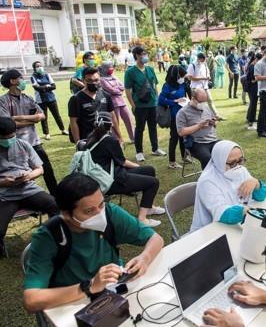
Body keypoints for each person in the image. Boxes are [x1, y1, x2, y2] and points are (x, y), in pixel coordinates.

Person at [22, 173, 164, 312]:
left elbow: (155, 239)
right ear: (66, 214)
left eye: (101, 204)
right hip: (74, 305)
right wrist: (89, 286)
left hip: (116, 292)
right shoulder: (48, 237)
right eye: (89, 211)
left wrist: (144, 258)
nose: (99, 214)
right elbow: (32, 300)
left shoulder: (110, 213)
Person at [80, 112, 164, 227]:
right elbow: (123, 161)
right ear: (111, 125)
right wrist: (138, 166)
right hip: (111, 181)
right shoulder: (109, 140)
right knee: (153, 183)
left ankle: (149, 207)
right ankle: (142, 219)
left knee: (149, 170)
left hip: (100, 178)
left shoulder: (90, 138)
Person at [0, 117, 58, 256]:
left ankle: (56, 238)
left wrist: (29, 176)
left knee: (55, 206)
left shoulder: (23, 145)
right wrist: (3, 182)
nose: (9, 140)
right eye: (5, 137)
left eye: (12, 136)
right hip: (5, 195)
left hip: (28, 190)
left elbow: (40, 169)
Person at [0, 69, 58, 195]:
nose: (23, 81)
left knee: (47, 169)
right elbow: (6, 125)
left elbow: (42, 116)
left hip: (34, 141)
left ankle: (56, 195)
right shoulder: (3, 101)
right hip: (15, 143)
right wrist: (33, 120)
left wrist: (16, 118)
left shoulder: (28, 98)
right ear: (13, 81)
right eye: (20, 78)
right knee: (19, 173)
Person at [190, 140, 266, 232]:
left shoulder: (241, 170)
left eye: (241, 160)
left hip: (237, 225)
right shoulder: (207, 181)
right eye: (232, 163)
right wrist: (245, 211)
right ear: (220, 161)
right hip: (209, 231)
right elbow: (221, 213)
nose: (238, 166)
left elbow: (261, 197)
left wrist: (256, 184)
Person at [124, 46, 166, 162]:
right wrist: (133, 105)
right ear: (137, 55)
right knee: (140, 128)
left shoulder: (150, 69)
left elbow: (154, 85)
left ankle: (155, 148)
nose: (145, 56)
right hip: (140, 105)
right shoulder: (130, 72)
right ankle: (139, 152)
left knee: (153, 127)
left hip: (152, 104)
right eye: (143, 54)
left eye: (145, 53)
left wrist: (157, 99)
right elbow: (128, 90)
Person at [68, 67, 120, 143]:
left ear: (100, 79)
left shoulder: (106, 95)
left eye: (96, 80)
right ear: (83, 81)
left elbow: (113, 117)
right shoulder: (76, 99)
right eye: (89, 80)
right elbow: (73, 122)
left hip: (106, 137)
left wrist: (119, 137)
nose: (93, 83)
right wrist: (78, 143)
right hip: (88, 140)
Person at [177, 89, 219, 169]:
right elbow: (181, 132)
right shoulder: (182, 112)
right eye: (201, 101)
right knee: (207, 158)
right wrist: (199, 126)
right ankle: (208, 179)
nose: (203, 104)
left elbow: (214, 123)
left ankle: (223, 176)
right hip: (196, 143)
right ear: (193, 98)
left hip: (213, 140)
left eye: (204, 101)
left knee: (228, 151)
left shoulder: (206, 108)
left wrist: (213, 122)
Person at [158, 65, 189, 169]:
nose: (183, 78)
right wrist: (174, 101)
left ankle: (185, 156)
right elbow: (161, 100)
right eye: (181, 76)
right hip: (173, 116)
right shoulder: (167, 86)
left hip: (183, 114)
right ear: (176, 76)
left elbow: (188, 95)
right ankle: (172, 162)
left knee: (183, 137)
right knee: (174, 138)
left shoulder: (183, 84)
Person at [30, 61, 67, 140]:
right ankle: (47, 133)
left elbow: (54, 86)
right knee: (44, 117)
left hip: (51, 98)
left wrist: (43, 87)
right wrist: (47, 86)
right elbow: (37, 88)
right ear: (34, 68)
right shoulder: (33, 77)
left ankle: (63, 129)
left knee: (57, 115)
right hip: (41, 100)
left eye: (40, 65)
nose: (39, 67)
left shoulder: (47, 75)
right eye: (37, 66)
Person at [99, 62, 134, 143]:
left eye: (111, 67)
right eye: (109, 67)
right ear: (104, 69)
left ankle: (133, 138)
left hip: (122, 101)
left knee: (129, 119)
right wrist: (117, 89)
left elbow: (122, 86)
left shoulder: (114, 77)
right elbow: (110, 90)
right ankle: (116, 139)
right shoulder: (102, 79)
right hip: (113, 103)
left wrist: (116, 89)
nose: (111, 69)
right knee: (115, 122)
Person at [187, 52, 220, 118]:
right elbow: (190, 78)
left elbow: (208, 72)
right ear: (199, 59)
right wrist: (203, 78)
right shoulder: (192, 65)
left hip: (205, 86)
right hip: (196, 88)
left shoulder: (204, 64)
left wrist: (208, 76)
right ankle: (197, 118)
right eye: (203, 59)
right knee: (198, 104)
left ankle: (216, 115)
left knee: (210, 100)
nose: (204, 61)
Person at [245, 52, 261, 131]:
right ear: (256, 59)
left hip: (253, 87)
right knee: (253, 103)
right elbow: (249, 79)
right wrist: (255, 80)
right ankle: (251, 120)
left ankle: (251, 117)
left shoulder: (253, 65)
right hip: (252, 88)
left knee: (253, 103)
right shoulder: (252, 67)